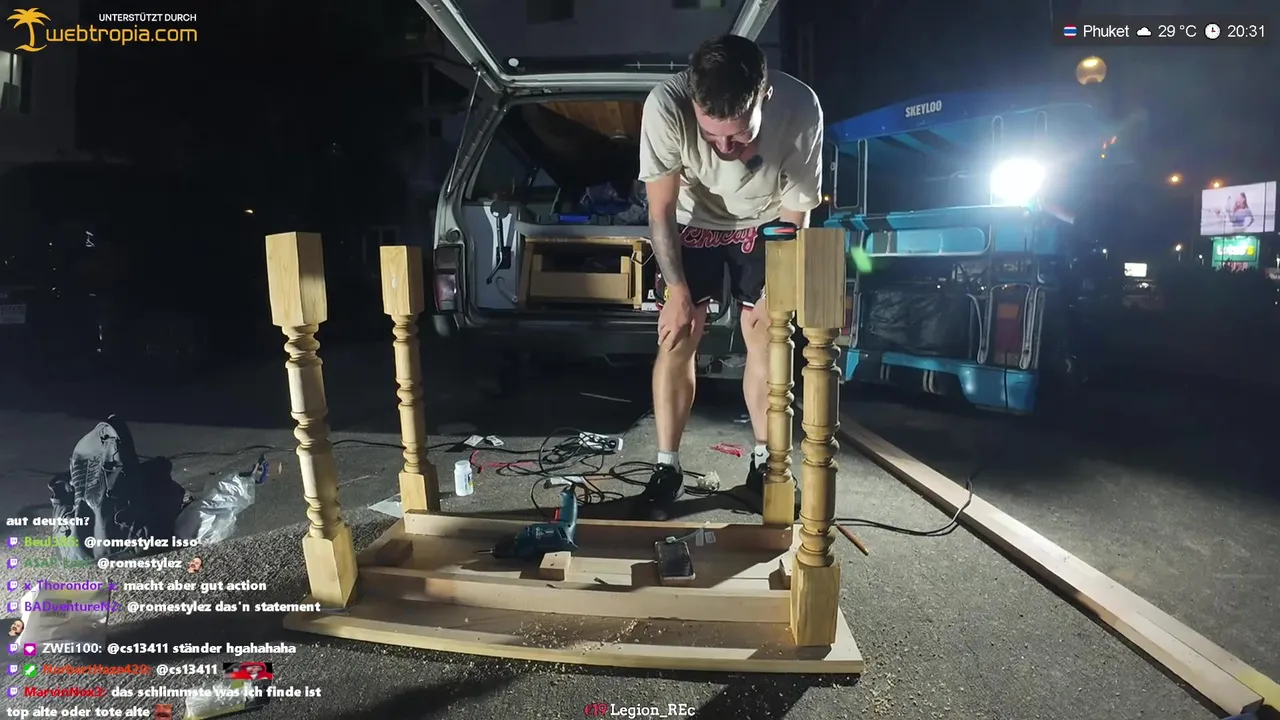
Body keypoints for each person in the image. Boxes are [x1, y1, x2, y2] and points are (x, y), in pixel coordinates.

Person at [636, 34, 824, 520]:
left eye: (740, 136)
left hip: (765, 219)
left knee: (766, 335)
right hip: (690, 217)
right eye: (711, 134)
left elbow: (796, 212)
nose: (724, 147)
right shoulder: (665, 105)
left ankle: (766, 464)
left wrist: (776, 289)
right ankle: (666, 467)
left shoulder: (801, 108)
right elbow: (660, 211)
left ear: (765, 95)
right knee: (678, 335)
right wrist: (677, 292)